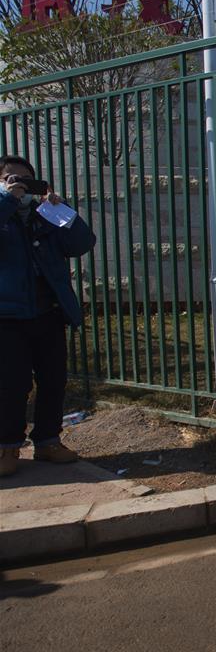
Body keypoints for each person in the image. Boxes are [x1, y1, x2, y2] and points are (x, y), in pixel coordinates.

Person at [0, 155, 96, 477]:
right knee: (12, 384)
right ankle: (7, 447)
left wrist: (61, 211)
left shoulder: (43, 217)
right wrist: (6, 200)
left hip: (48, 313)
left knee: (54, 379)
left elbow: (82, 243)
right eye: (11, 179)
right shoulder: (4, 216)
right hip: (8, 316)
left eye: (25, 180)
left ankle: (47, 442)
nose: (20, 186)